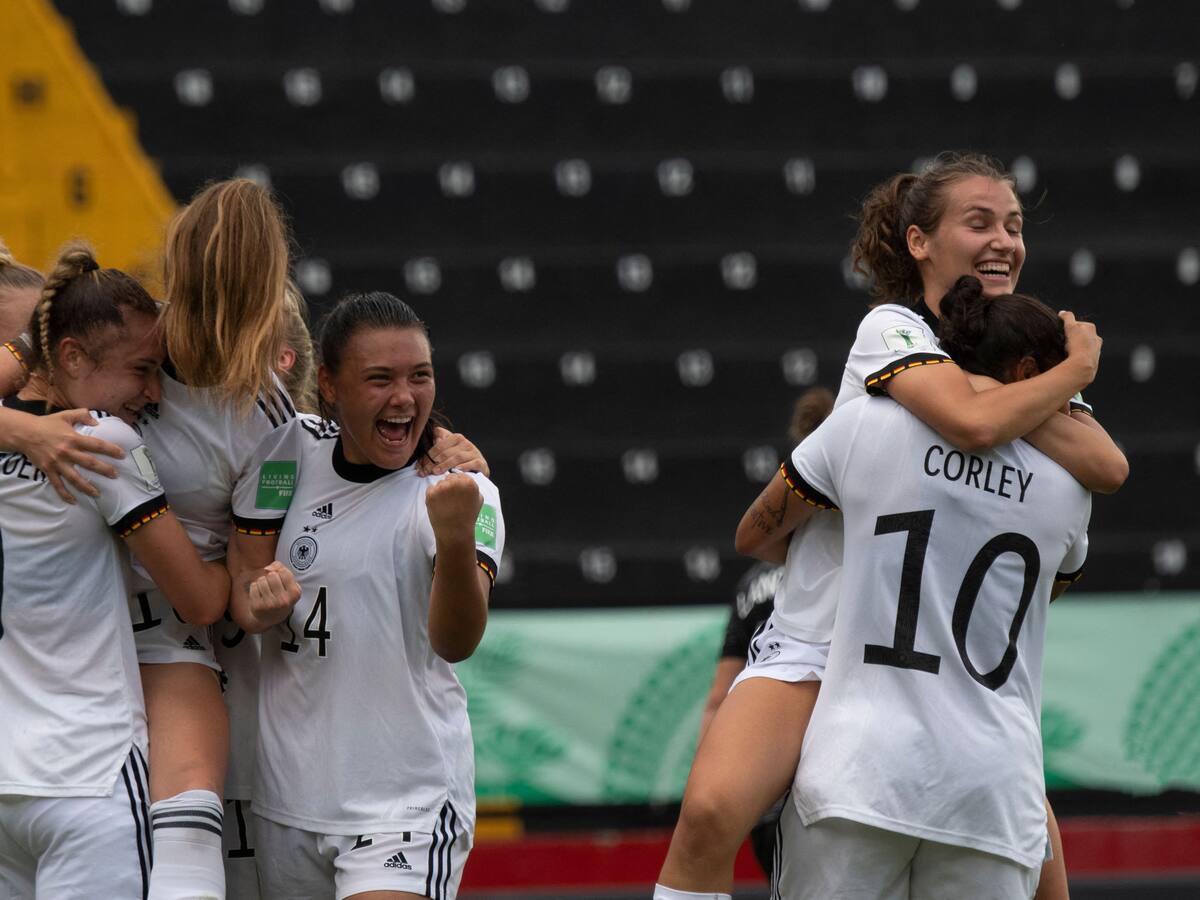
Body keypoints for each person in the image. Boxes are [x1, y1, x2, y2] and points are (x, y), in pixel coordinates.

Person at [655, 152, 1127, 900]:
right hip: (819, 639)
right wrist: (1067, 376)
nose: (1005, 239)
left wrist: (1024, 385)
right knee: (709, 815)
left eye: (1013, 224)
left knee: (1039, 859)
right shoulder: (893, 327)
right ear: (918, 243)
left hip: (939, 663)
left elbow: (1104, 463)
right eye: (980, 222)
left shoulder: (1015, 353)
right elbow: (973, 423)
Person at [0, 180, 487, 900]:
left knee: (194, 850)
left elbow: (244, 565)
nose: (152, 390)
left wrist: (434, 441)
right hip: (87, 652)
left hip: (183, 646)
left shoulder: (266, 414)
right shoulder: (127, 340)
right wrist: (26, 428)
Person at [739, 277, 1091, 898]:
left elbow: (755, 536)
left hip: (858, 776)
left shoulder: (862, 425)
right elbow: (1040, 593)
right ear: (1032, 372)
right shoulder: (1070, 487)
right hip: (993, 793)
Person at [226, 290, 504, 900]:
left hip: (406, 806)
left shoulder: (464, 489)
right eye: (379, 379)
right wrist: (260, 603)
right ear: (328, 383)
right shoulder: (287, 453)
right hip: (288, 804)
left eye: (420, 376)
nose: (404, 398)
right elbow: (243, 594)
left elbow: (457, 641)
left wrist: (455, 540)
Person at [0, 244, 229, 899]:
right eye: (141, 369)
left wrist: (23, 398)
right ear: (71, 357)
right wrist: (251, 531)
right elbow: (201, 602)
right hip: (87, 774)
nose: (154, 392)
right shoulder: (102, 441)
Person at [695, 388, 834, 880]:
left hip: (769, 771)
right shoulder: (872, 556)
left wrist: (708, 789)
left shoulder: (753, 581)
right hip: (835, 768)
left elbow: (719, 698)